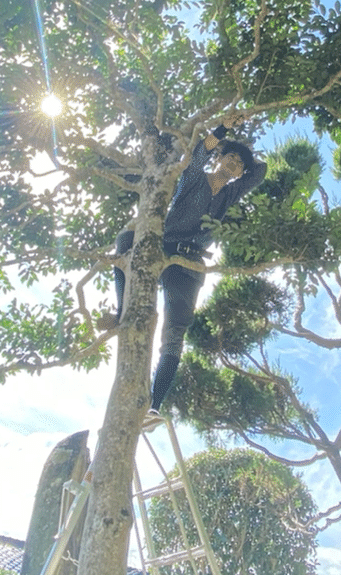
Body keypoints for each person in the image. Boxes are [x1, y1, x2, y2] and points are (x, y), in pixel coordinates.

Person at [112, 124, 266, 417]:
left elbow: (261, 172)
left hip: (191, 265)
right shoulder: (195, 177)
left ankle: (154, 407)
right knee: (125, 239)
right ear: (219, 158)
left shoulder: (231, 193)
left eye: (239, 164)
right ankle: (121, 312)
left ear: (238, 173)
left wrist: (248, 160)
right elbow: (198, 153)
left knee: (174, 333)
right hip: (164, 248)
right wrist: (224, 130)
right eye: (230, 158)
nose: (233, 164)